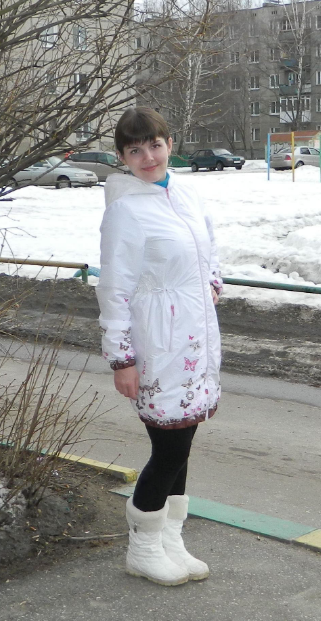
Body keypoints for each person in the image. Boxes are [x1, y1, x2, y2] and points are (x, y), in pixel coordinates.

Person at [96, 107, 222, 586]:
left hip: (196, 339)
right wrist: (122, 358)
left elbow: (209, 246)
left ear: (170, 144)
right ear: (122, 157)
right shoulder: (125, 210)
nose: (148, 156)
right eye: (135, 150)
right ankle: (143, 547)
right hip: (158, 343)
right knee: (169, 450)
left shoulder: (186, 194)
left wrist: (212, 282)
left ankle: (171, 539)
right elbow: (114, 288)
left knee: (183, 445)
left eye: (155, 145)